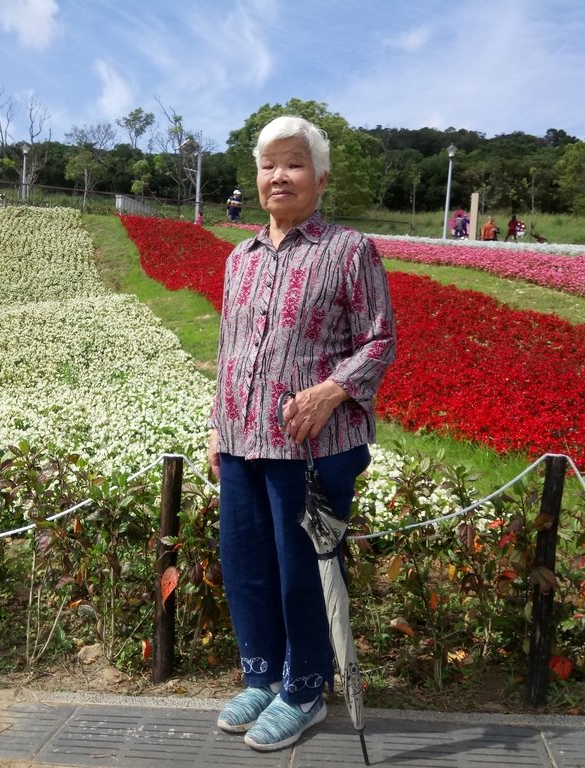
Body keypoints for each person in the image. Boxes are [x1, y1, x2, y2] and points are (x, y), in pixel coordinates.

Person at [207, 115, 396, 753]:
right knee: (246, 567)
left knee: (304, 572)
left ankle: (306, 689)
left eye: (293, 164)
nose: (278, 176)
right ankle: (261, 677)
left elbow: (379, 338)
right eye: (268, 165)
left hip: (314, 449)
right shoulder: (240, 257)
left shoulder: (348, 250)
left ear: (319, 176)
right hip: (240, 442)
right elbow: (229, 347)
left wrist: (332, 390)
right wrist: (216, 425)